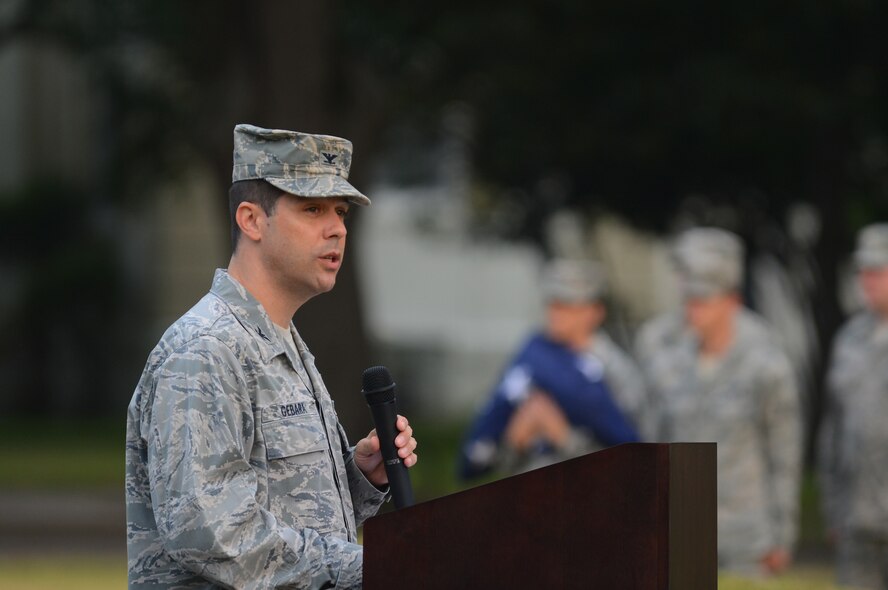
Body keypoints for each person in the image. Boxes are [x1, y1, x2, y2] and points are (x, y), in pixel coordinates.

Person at [125, 124, 418, 589]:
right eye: (312, 209)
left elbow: (279, 505)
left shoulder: (279, 341)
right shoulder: (206, 350)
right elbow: (211, 534)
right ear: (251, 220)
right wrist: (377, 567)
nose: (337, 228)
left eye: (340, 211)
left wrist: (358, 477)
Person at [638, 227, 801, 577]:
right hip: (682, 530)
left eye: (704, 300)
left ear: (730, 300)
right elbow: (652, 443)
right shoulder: (668, 357)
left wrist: (782, 534)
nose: (694, 309)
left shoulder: (764, 360)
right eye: (689, 298)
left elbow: (783, 452)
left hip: (746, 534)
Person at [458, 259, 642, 480]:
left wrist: (563, 436)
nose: (555, 312)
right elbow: (490, 448)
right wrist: (515, 439)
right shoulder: (533, 356)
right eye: (552, 303)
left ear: (595, 311)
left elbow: (634, 460)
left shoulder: (617, 370)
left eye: (567, 304)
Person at [819, 223, 888, 589]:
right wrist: (833, 507)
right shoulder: (848, 339)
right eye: (862, 271)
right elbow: (833, 428)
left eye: (877, 271)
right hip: (857, 519)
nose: (867, 280)